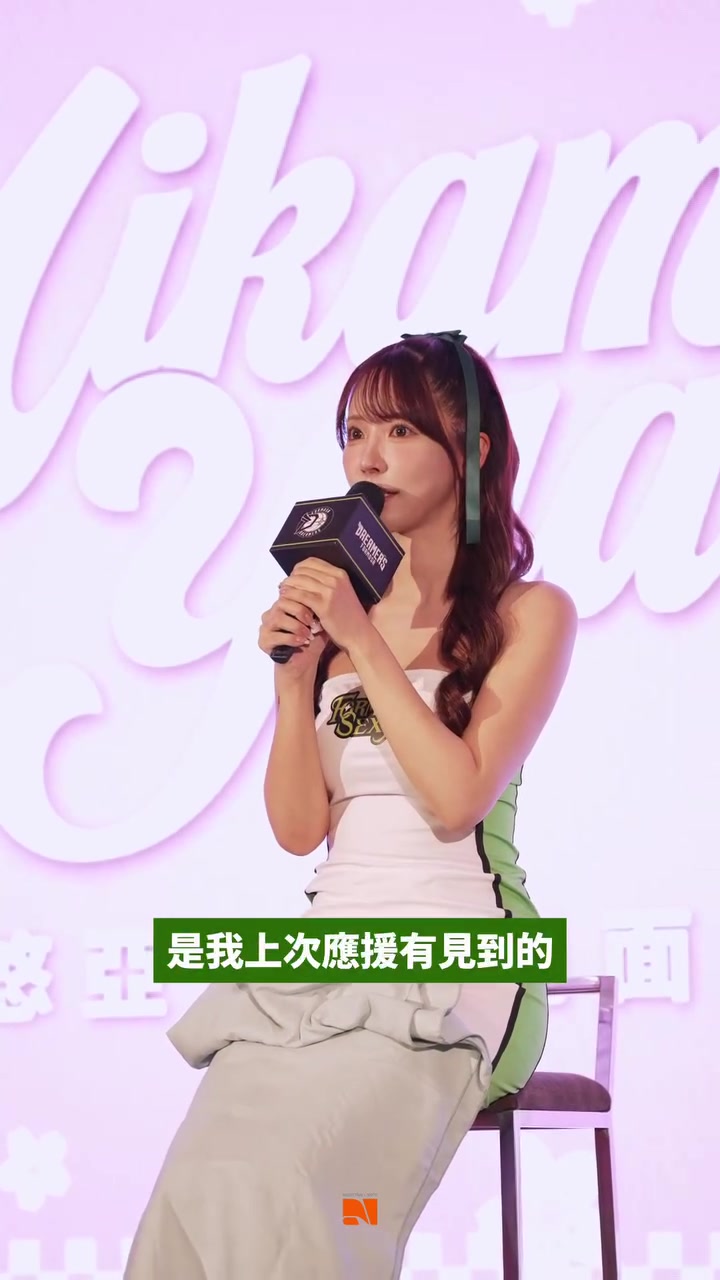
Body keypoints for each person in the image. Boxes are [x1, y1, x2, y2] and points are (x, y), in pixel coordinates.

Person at [124, 331, 577, 1279]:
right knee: (209, 1176)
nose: (368, 457)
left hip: (459, 957)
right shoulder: (336, 632)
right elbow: (299, 832)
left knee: (307, 1186)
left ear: (472, 450)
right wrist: (294, 681)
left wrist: (363, 641)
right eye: (354, 433)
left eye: (400, 430)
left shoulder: (529, 614)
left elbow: (456, 800)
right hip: (329, 953)